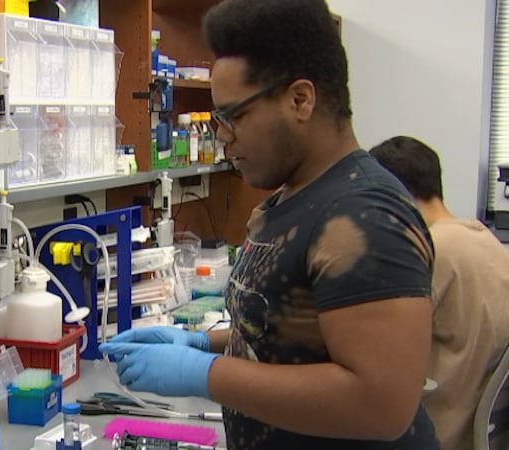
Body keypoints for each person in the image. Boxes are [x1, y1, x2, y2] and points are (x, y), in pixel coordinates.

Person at [98, 0, 440, 449]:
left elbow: (381, 404)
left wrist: (206, 375)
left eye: (233, 116)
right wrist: (205, 344)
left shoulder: (364, 215)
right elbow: (282, 331)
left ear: (300, 99)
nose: (222, 136)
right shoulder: (291, 197)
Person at [370, 135, 509, 450]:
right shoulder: (486, 241)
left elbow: (374, 349)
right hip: (476, 432)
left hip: (436, 433)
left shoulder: (425, 251)